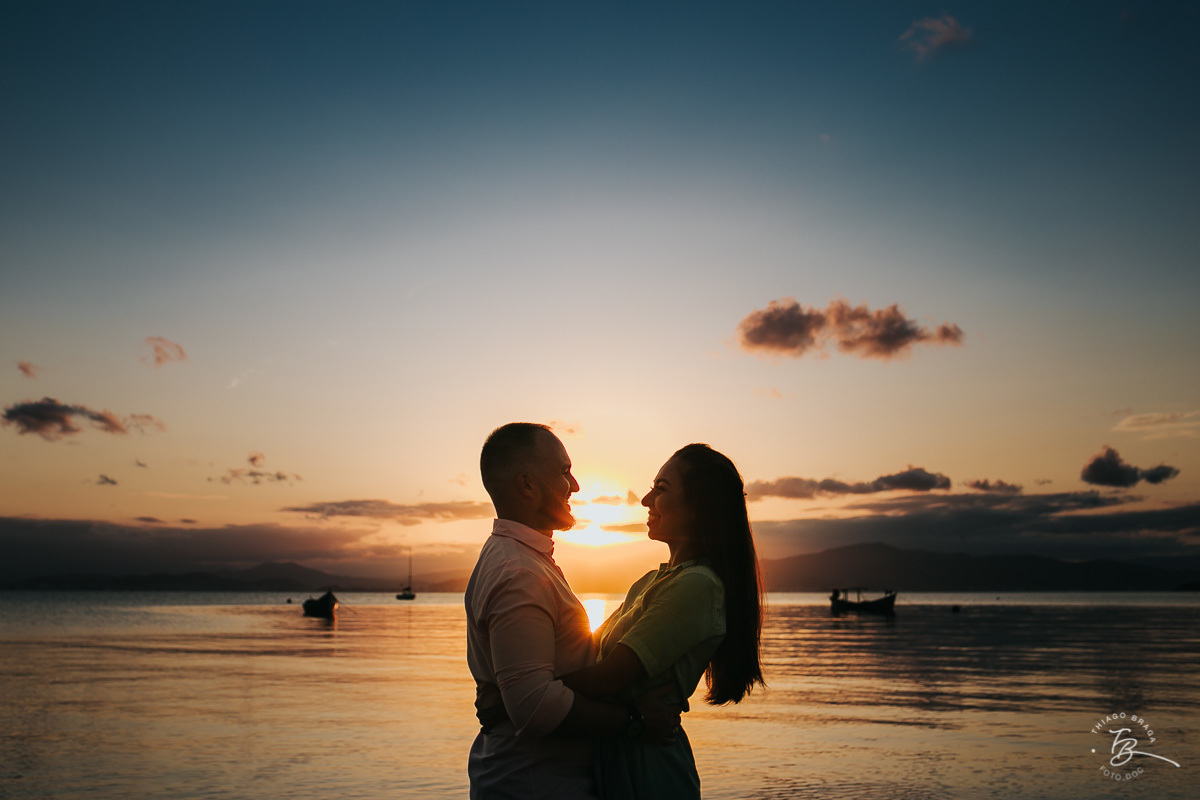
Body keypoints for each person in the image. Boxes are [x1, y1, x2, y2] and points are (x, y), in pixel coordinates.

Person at [466, 422, 679, 800]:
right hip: (536, 783)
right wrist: (635, 721)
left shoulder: (519, 560)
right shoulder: (519, 573)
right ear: (528, 485)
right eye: (564, 472)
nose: (576, 486)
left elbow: (529, 688)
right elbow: (534, 707)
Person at [560, 443, 765, 799]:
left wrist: (516, 697)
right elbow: (593, 656)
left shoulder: (697, 586)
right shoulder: (652, 581)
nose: (645, 499)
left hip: (650, 772)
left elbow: (610, 676)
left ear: (700, 508)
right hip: (618, 759)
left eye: (662, 489)